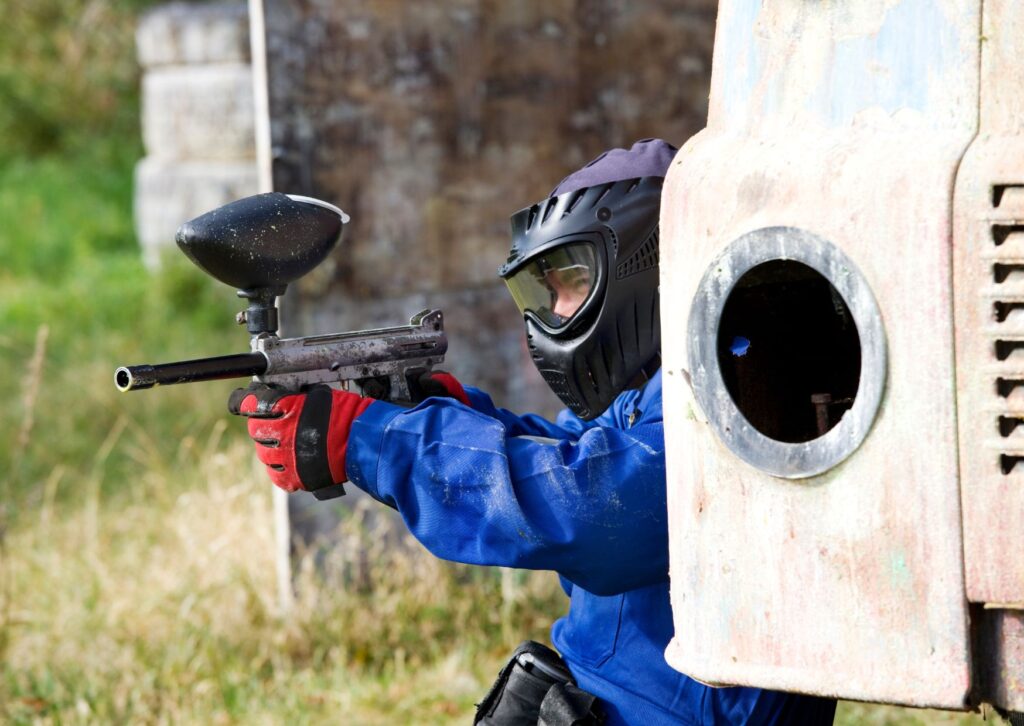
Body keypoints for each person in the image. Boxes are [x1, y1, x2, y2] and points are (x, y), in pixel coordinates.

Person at [230, 139, 837, 725]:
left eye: (571, 283)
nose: (556, 315)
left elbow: (588, 506)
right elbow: (576, 455)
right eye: (547, 293)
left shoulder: (738, 387)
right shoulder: (659, 382)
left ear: (646, 261)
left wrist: (373, 440)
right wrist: (464, 417)